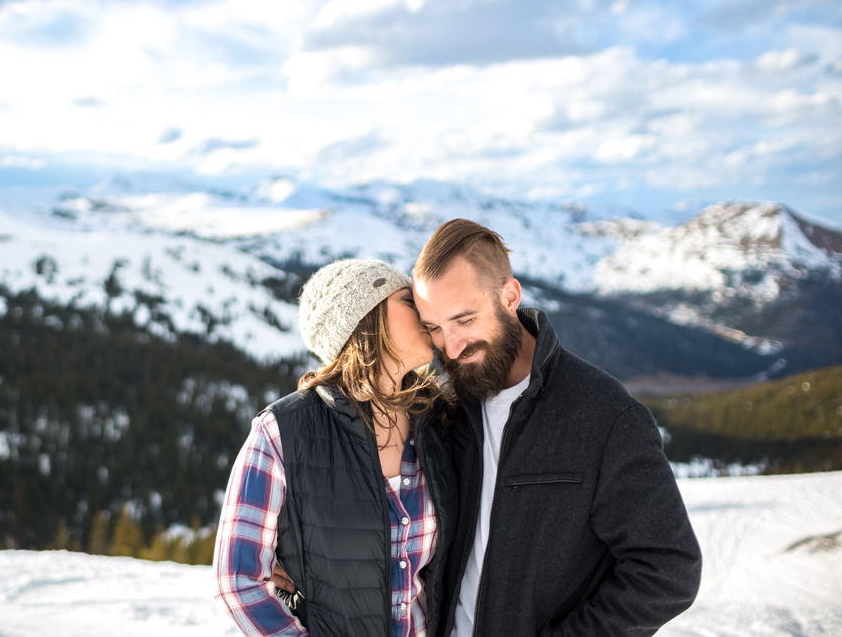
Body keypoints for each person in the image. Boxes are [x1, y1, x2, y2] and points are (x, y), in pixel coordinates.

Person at [410, 218, 702, 637]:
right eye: (435, 328)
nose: (451, 347)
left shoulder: (604, 415)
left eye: (465, 319)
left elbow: (668, 567)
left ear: (509, 296)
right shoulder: (445, 409)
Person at [212, 258, 459, 637]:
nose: (426, 313)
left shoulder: (440, 422)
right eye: (409, 301)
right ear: (366, 316)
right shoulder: (282, 432)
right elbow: (238, 578)